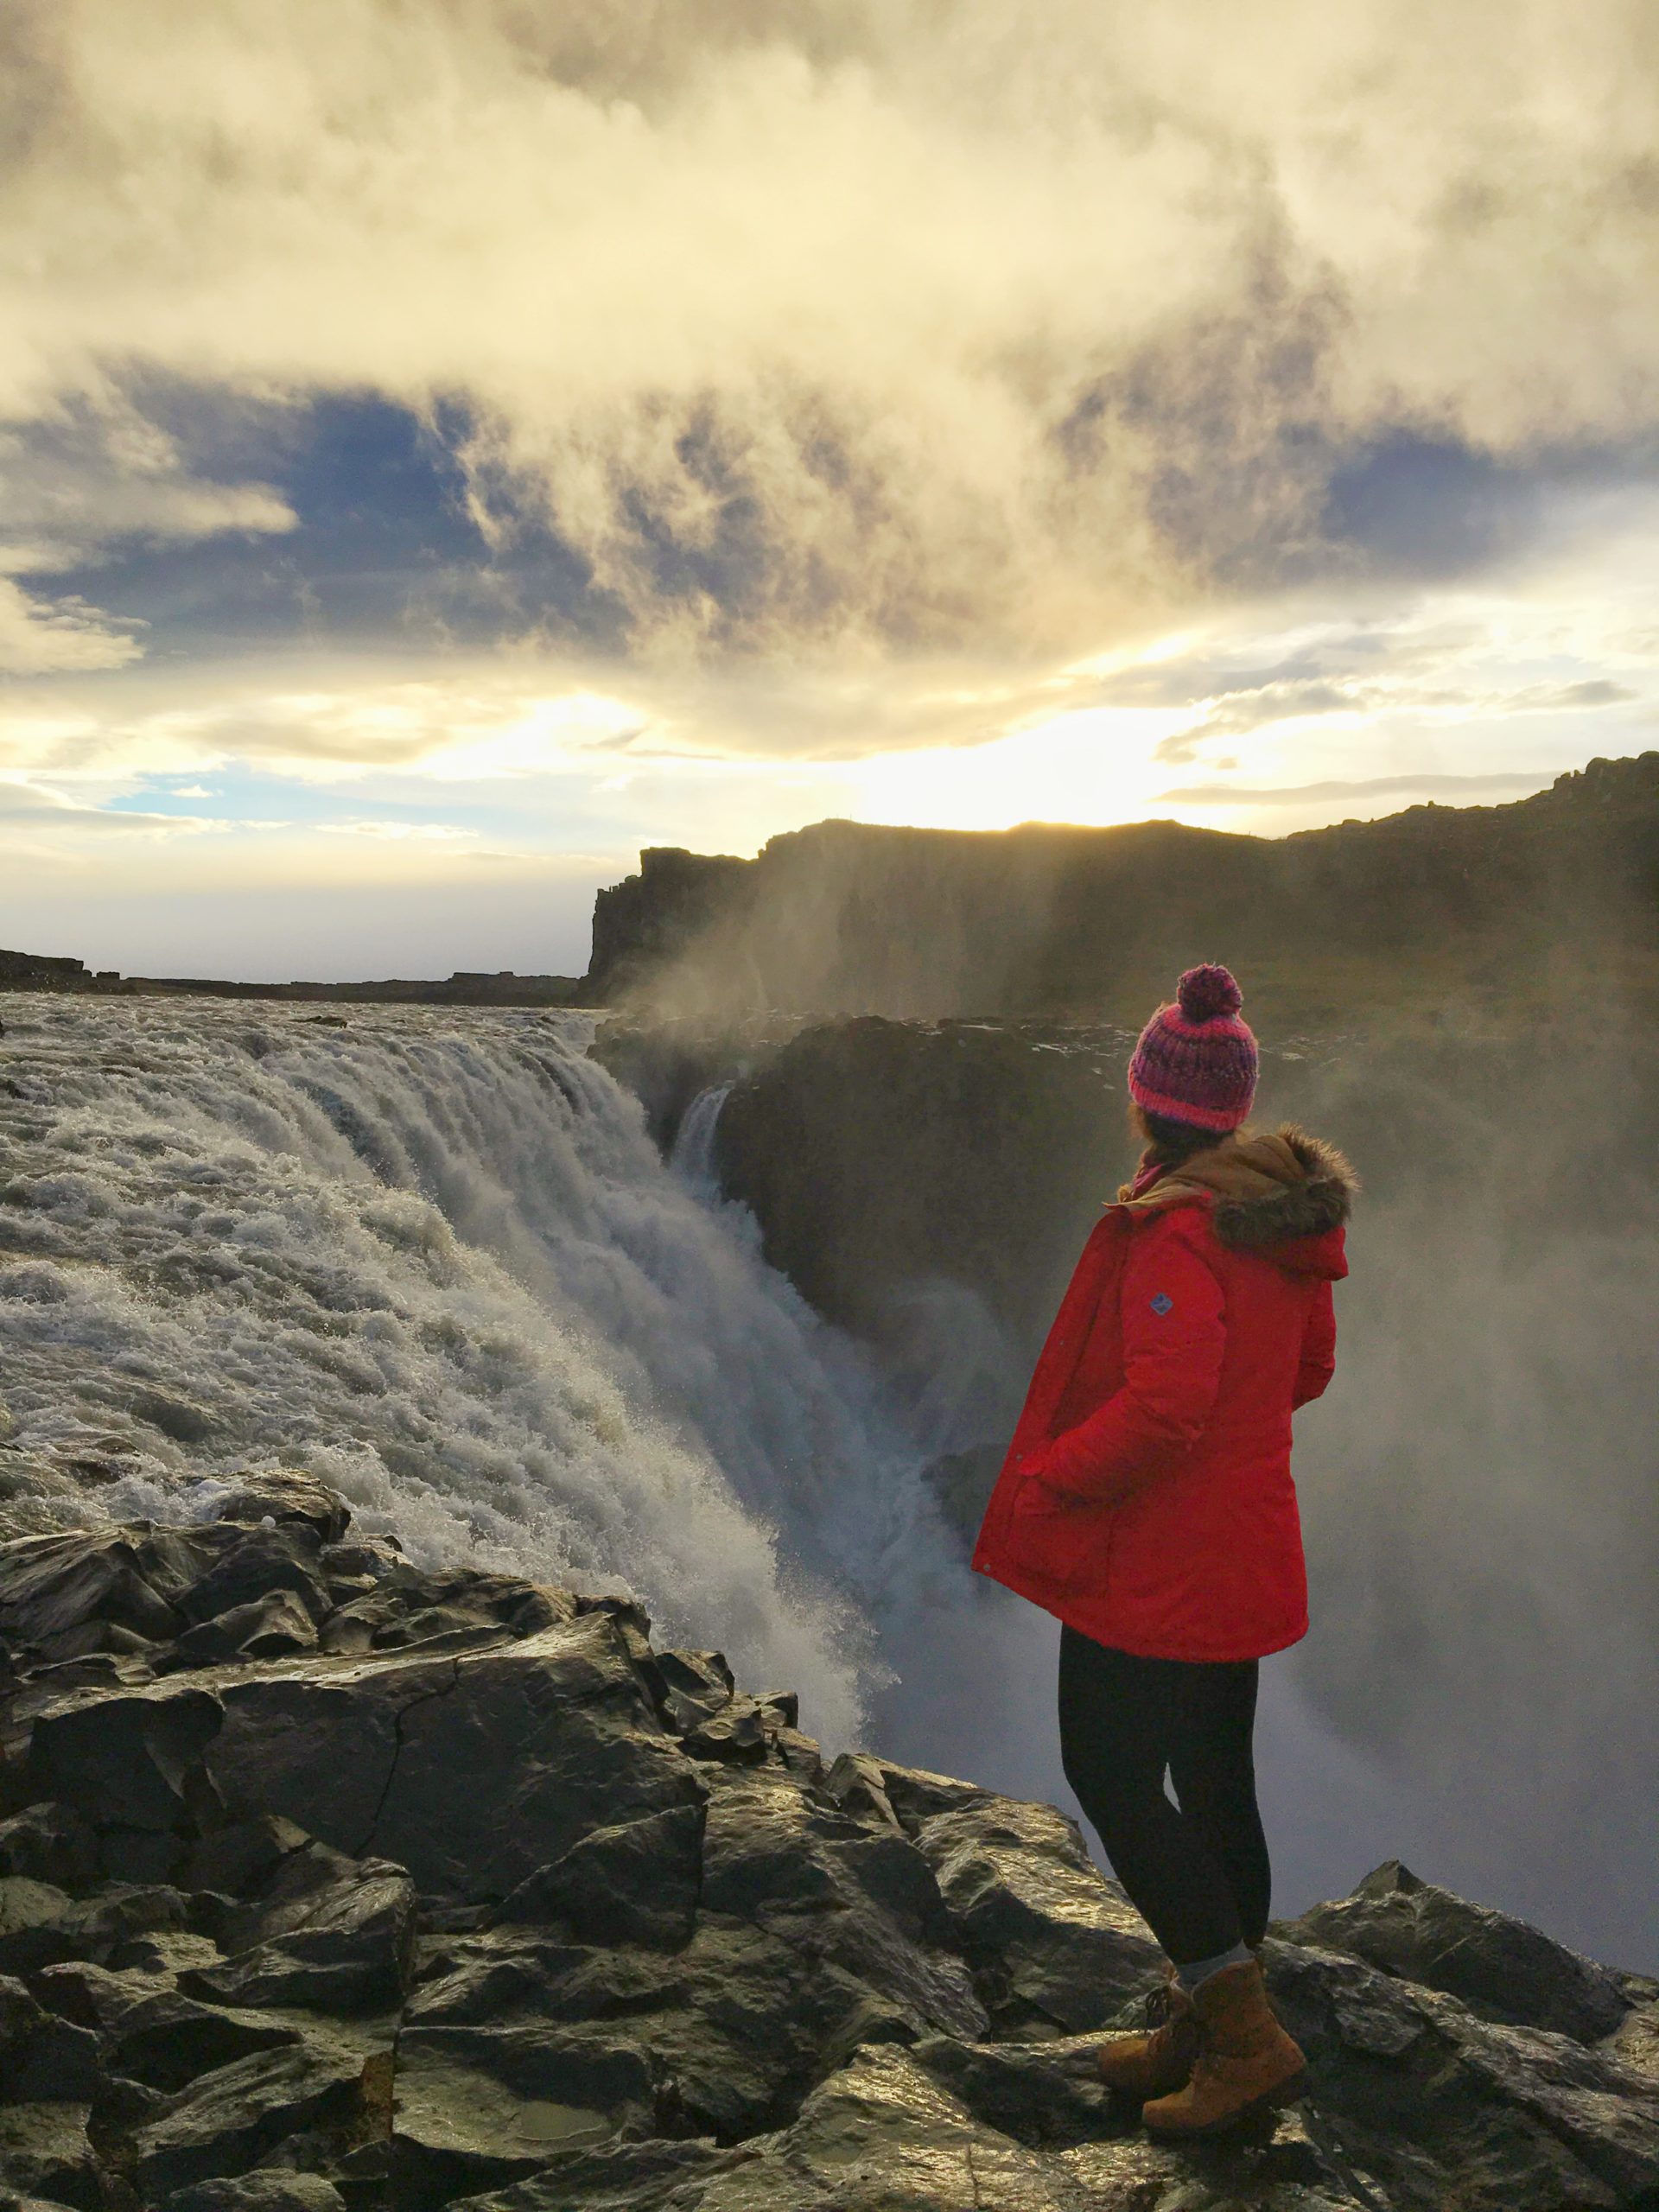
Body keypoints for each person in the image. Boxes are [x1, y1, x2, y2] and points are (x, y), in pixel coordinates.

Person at [971, 962, 1355, 2137]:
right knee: (1217, 1784)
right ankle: (1208, 2019)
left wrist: (1054, 1475)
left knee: (1111, 1774)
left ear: (1147, 1098)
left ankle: (1243, 2036)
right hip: (1242, 1549)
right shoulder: (1277, 1220)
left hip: (1156, 1569)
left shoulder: (1178, 1233)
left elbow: (1165, 1407)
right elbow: (1307, 1371)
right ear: (1231, 1109)